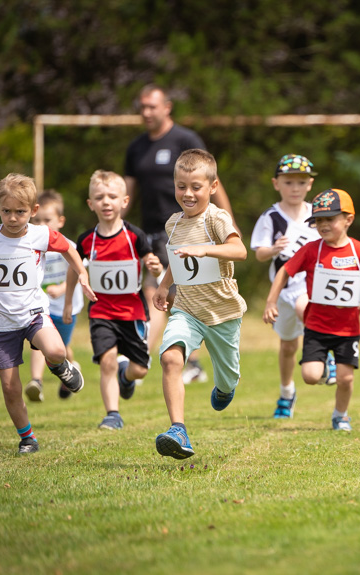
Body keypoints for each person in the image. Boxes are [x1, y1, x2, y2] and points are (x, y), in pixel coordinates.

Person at [0, 173, 96, 454]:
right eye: (7, 211)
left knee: (57, 350)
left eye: (20, 212)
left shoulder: (41, 234)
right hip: (1, 323)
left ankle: (59, 367)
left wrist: (81, 274)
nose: (12, 217)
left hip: (34, 313)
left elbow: (70, 250)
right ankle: (27, 438)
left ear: (33, 211)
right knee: (10, 387)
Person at [124, 84, 233, 383]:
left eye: (152, 106)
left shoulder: (185, 139)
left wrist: (228, 223)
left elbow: (213, 182)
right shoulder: (136, 147)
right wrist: (115, 228)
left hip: (191, 229)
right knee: (163, 294)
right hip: (153, 232)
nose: (146, 112)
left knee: (173, 294)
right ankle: (176, 359)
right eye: (142, 106)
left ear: (167, 107)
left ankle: (144, 354)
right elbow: (128, 193)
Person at [263, 188, 360, 432]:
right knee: (309, 376)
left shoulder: (359, 250)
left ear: (348, 219)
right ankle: (324, 362)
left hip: (348, 330)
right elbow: (285, 271)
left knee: (345, 378)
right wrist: (271, 301)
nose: (323, 225)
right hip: (316, 328)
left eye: (330, 219)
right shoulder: (311, 249)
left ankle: (341, 416)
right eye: (318, 220)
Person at [153, 149, 247, 459]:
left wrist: (206, 250)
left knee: (228, 377)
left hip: (223, 313)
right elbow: (177, 261)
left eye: (196, 186)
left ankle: (224, 387)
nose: (188, 193)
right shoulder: (173, 225)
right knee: (170, 358)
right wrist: (164, 285)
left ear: (213, 186)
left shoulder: (217, 217)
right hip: (187, 309)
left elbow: (239, 250)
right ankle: (178, 429)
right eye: (181, 186)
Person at [63, 171, 162, 430]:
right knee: (107, 360)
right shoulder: (86, 240)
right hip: (101, 311)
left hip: (133, 312)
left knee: (140, 369)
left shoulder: (135, 236)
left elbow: (152, 266)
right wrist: (67, 304)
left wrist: (154, 266)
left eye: (112, 196)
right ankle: (112, 414)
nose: (106, 202)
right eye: (99, 197)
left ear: (124, 201)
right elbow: (73, 268)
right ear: (90, 204)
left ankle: (125, 376)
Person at [250, 154, 328, 419]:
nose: (295, 188)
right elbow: (259, 253)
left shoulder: (318, 215)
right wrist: (273, 249)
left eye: (301, 182)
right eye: (289, 182)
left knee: (303, 306)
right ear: (276, 184)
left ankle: (324, 356)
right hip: (282, 289)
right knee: (288, 346)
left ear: (310, 184)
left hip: (310, 285)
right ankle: (286, 393)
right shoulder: (271, 217)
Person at [25, 190, 84, 402]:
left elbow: (79, 269)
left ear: (60, 221)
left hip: (65, 308)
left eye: (47, 220)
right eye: (37, 220)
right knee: (39, 342)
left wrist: (61, 288)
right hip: (41, 307)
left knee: (62, 347)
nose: (42, 225)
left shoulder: (67, 246)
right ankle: (36, 381)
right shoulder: (30, 247)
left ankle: (70, 372)